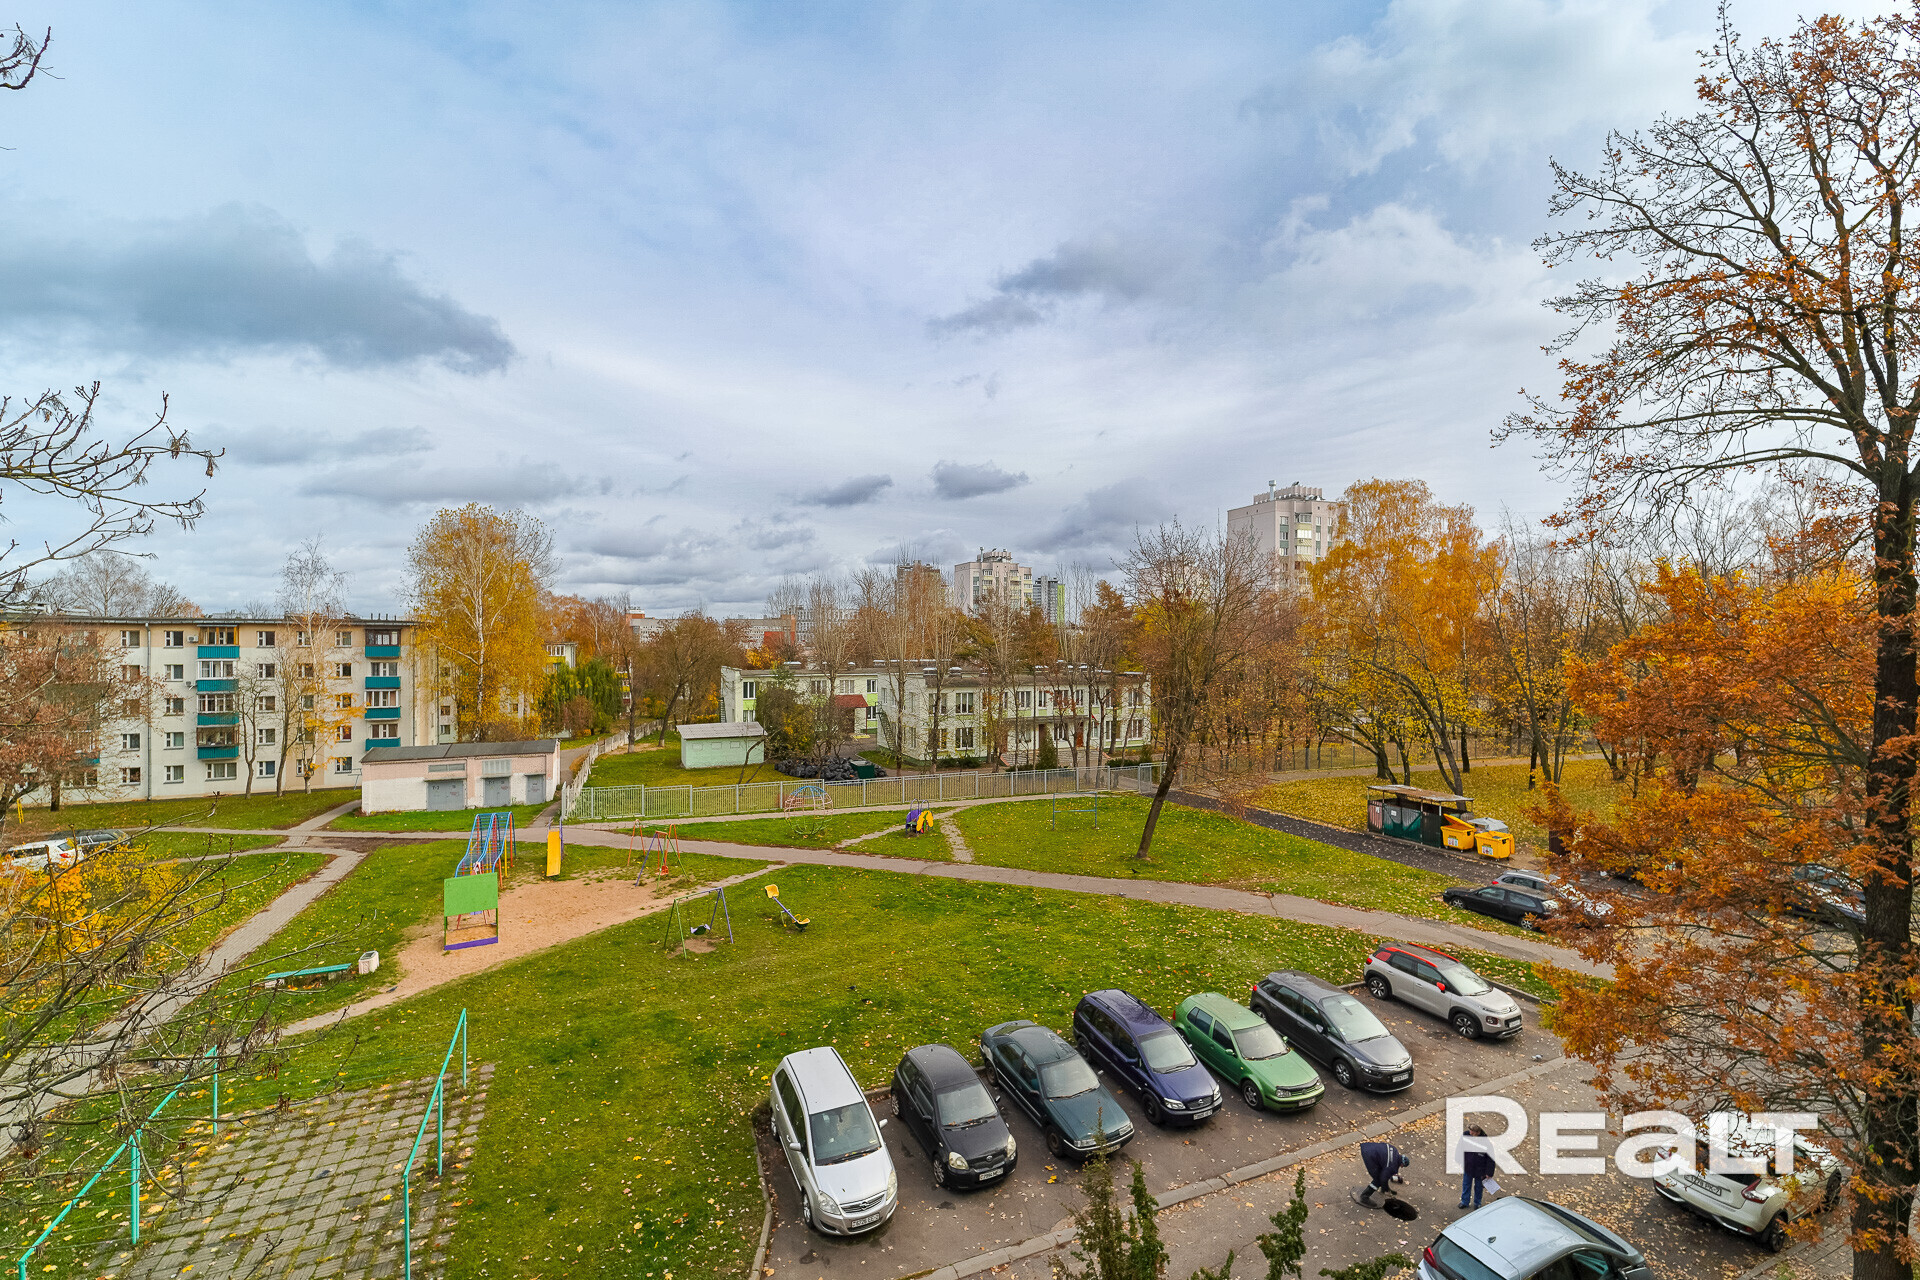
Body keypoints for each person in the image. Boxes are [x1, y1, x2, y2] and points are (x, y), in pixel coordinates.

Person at [1354, 1141, 1410, 1207]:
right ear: (1402, 1164)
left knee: (1383, 1171)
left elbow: (1387, 1167)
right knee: (1378, 1180)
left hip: (1368, 1146)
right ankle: (1364, 1197)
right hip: (1370, 1156)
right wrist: (1386, 1189)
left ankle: (1384, 1187)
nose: (1401, 1167)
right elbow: (1383, 1177)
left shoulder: (1395, 1150)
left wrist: (1394, 1177)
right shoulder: (1392, 1166)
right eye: (1402, 1166)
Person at [1457, 1124, 1496, 1210]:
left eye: (1472, 1132)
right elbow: (1459, 1148)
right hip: (1468, 1167)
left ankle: (1477, 1203)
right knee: (1466, 1185)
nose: (1470, 1133)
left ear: (1478, 1132)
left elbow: (1491, 1159)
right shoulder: (1466, 1135)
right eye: (1470, 1130)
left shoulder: (1486, 1143)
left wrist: (1489, 1173)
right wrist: (1459, 1160)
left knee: (1478, 1188)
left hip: (1480, 1170)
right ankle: (1464, 1202)